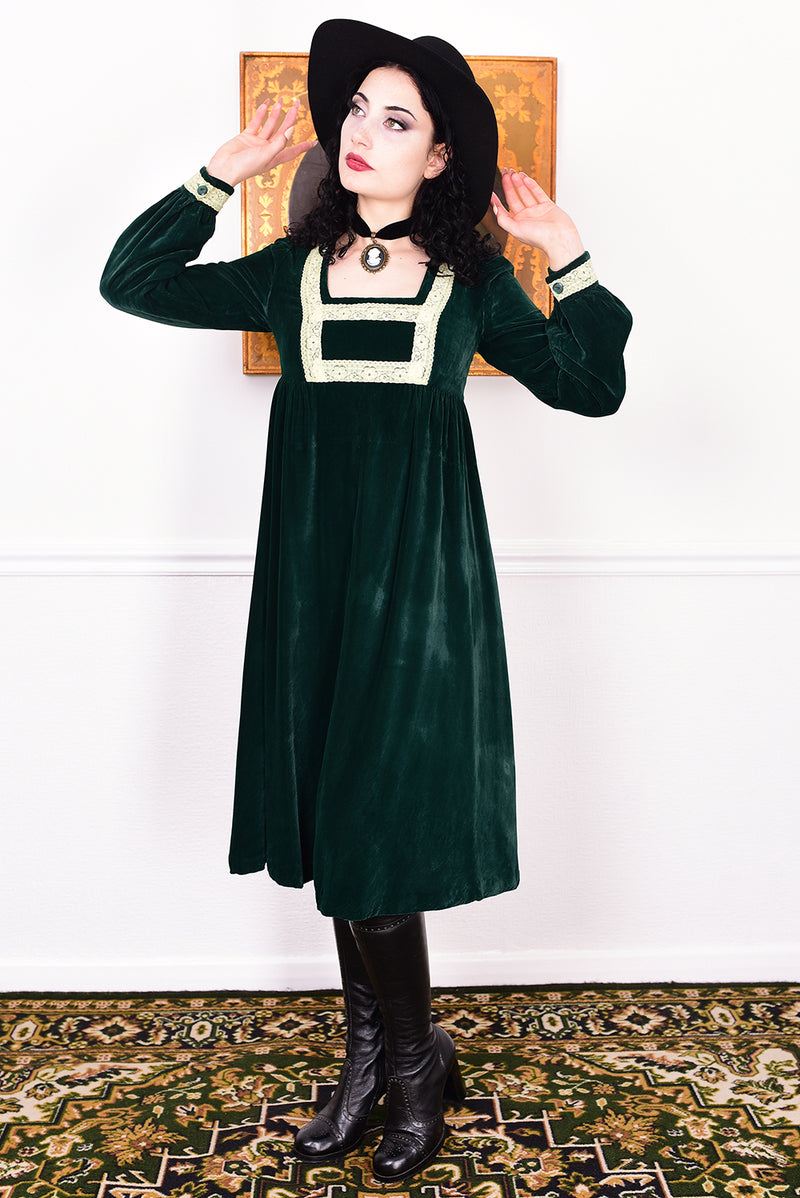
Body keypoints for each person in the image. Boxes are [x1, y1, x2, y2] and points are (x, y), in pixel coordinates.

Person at [100, 17, 632, 1183]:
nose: (362, 134)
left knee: (379, 832)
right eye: (356, 112)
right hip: (311, 585)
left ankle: (396, 1067)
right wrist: (215, 176)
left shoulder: (472, 284)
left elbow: (590, 389)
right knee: (342, 828)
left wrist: (568, 253)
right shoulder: (290, 273)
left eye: (396, 120)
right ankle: (391, 1058)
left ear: (439, 156)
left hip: (424, 596)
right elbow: (130, 283)